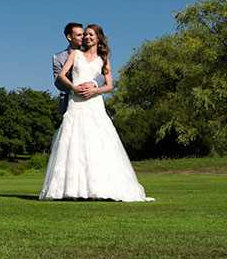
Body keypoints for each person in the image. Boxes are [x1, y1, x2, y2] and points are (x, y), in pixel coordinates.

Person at [40, 24, 153, 202]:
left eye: (91, 35)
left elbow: (109, 85)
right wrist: (73, 88)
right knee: (73, 143)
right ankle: (71, 190)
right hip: (76, 102)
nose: (87, 37)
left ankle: (99, 189)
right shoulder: (75, 54)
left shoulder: (104, 59)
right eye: (85, 35)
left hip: (94, 103)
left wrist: (95, 90)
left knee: (97, 142)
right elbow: (61, 76)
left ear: (99, 38)